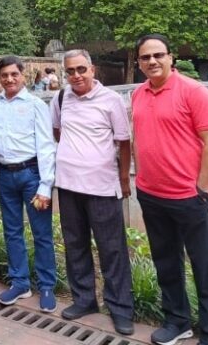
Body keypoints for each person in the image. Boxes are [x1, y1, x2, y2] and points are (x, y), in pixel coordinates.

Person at [132, 34, 208, 345]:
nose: (152, 61)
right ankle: (177, 321)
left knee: (205, 268)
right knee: (166, 263)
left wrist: (201, 188)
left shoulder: (194, 92)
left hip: (189, 197)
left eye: (158, 55)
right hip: (151, 194)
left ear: (171, 57)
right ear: (139, 63)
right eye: (146, 57)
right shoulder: (138, 94)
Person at [50, 50, 134, 335]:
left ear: (93, 69)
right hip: (69, 185)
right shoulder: (61, 98)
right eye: (70, 71)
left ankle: (121, 309)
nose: (76, 76)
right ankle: (84, 300)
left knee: (112, 250)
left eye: (81, 69)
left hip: (101, 187)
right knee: (75, 246)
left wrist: (123, 179)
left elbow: (124, 142)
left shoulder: (111, 100)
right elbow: (58, 133)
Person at [0, 56, 57, 313]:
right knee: (12, 231)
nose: (9, 79)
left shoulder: (36, 104)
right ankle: (20, 282)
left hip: (32, 174)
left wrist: (45, 184)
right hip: (5, 175)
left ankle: (47, 285)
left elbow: (47, 145)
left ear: (23, 75)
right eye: (4, 75)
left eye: (14, 74)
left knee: (42, 233)